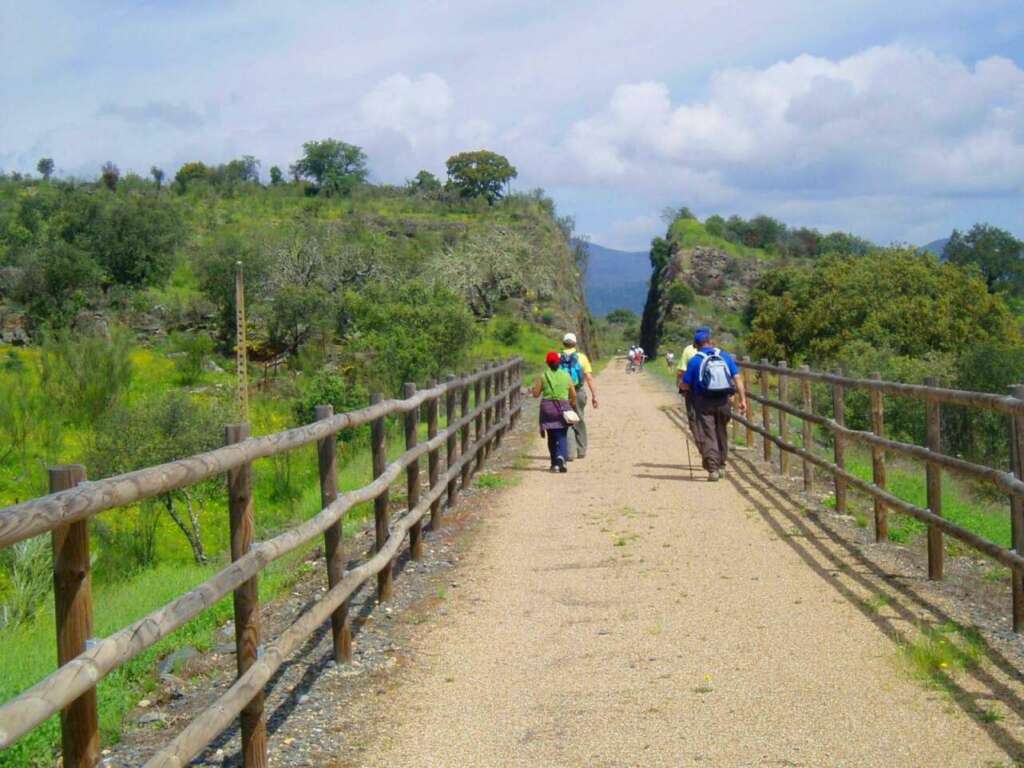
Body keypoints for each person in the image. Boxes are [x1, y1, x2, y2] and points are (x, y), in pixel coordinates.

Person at [681, 327, 749, 481]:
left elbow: (685, 385)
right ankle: (722, 465)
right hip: (724, 401)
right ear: (710, 341)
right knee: (721, 432)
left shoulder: (695, 361)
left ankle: (713, 470)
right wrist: (743, 399)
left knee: (709, 434)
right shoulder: (724, 356)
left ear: (695, 344)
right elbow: (737, 378)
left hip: (704, 403)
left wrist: (685, 388)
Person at [532, 351, 577, 472]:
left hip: (547, 409)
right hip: (562, 407)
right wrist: (572, 403)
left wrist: (533, 389)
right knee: (562, 434)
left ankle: (554, 464)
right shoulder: (566, 375)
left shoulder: (543, 376)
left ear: (547, 364)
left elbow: (536, 394)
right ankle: (561, 457)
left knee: (551, 437)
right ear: (559, 362)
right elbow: (573, 393)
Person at [561, 333, 598, 460]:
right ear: (575, 344)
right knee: (579, 419)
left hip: (563, 393)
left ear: (563, 343)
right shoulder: (582, 357)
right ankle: (581, 450)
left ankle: (568, 451)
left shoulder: (557, 357)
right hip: (578, 391)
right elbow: (589, 378)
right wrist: (594, 396)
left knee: (565, 420)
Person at [676, 338, 701, 437]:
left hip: (692, 387)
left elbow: (682, 370)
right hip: (710, 389)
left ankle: (696, 434)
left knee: (691, 411)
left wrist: (680, 384)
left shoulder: (689, 349)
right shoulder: (716, 350)